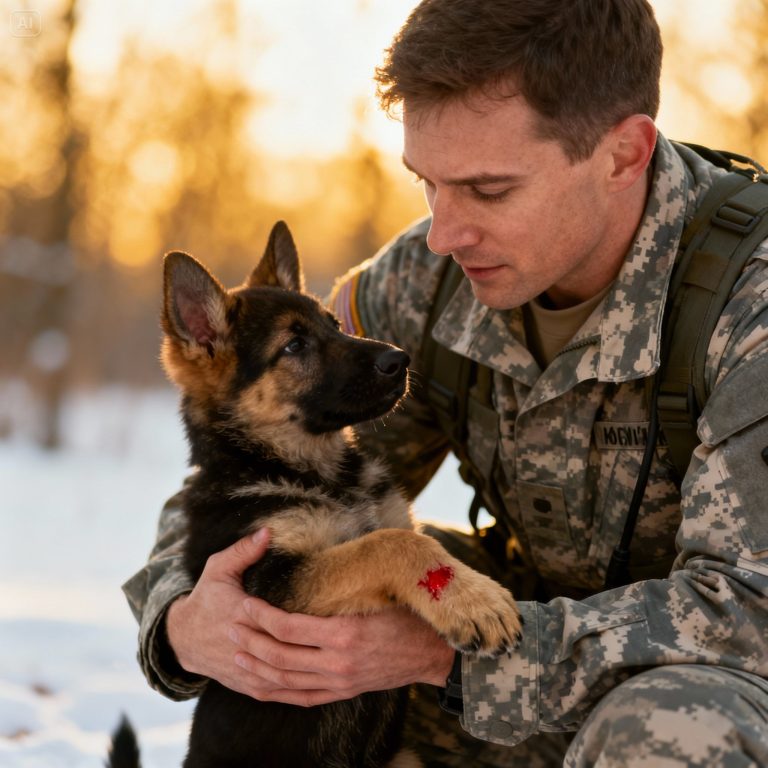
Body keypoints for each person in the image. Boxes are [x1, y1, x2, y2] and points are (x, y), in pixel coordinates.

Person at [123, 1, 768, 765]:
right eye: (428, 182)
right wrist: (187, 620)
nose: (443, 233)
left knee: (669, 734)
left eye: (488, 190)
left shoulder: (750, 306)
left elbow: (748, 614)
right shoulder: (430, 281)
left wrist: (444, 656)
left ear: (623, 155)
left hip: (720, 695)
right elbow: (250, 476)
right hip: (525, 679)